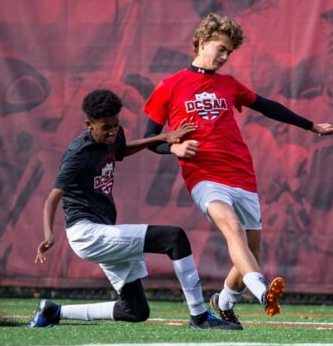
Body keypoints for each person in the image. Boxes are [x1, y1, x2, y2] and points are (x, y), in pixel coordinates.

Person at [143, 13, 333, 327]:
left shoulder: (229, 84)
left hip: (242, 175)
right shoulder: (170, 86)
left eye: (229, 52)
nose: (223, 57)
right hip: (204, 176)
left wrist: (311, 125)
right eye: (220, 48)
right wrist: (174, 147)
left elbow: (268, 106)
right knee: (232, 227)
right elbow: (150, 139)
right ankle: (263, 293)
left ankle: (224, 301)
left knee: (250, 252)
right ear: (202, 42)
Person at [29, 88, 241, 330]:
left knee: (135, 310)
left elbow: (122, 150)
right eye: (105, 127)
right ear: (89, 124)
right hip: (86, 234)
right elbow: (53, 196)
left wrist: (162, 138)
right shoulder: (78, 152)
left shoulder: (114, 135)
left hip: (103, 230)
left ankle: (53, 311)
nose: (112, 132)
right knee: (175, 238)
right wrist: (49, 233)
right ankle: (200, 317)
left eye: (115, 125)